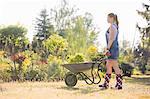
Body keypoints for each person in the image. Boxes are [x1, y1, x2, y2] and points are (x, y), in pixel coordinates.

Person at [99, 13, 123, 90]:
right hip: (113, 48)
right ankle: (106, 84)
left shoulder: (112, 27)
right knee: (109, 66)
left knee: (115, 66)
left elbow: (111, 39)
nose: (107, 19)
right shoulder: (114, 26)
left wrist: (107, 49)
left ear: (112, 18)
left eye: (108, 18)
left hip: (112, 49)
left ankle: (119, 85)